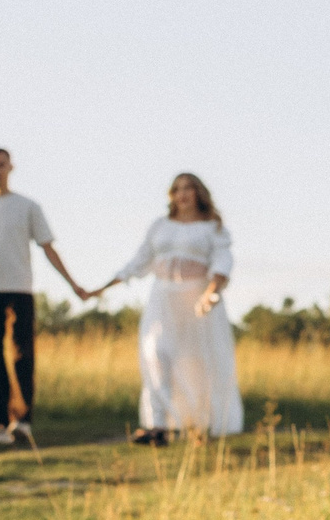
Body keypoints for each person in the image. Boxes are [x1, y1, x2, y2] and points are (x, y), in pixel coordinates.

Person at [82, 172, 243, 443]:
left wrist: (210, 294)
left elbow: (222, 262)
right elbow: (140, 260)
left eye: (189, 188)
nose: (183, 194)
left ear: (199, 193)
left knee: (197, 362)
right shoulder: (160, 226)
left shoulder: (213, 228)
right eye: (177, 189)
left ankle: (199, 424)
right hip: (163, 298)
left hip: (196, 300)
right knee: (155, 353)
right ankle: (158, 425)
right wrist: (104, 287)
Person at [0, 147, 87, 446]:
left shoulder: (28, 206)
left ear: (11, 167)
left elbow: (48, 247)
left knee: (23, 355)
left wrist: (73, 284)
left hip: (20, 290)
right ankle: (0, 425)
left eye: (2, 164)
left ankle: (22, 422)